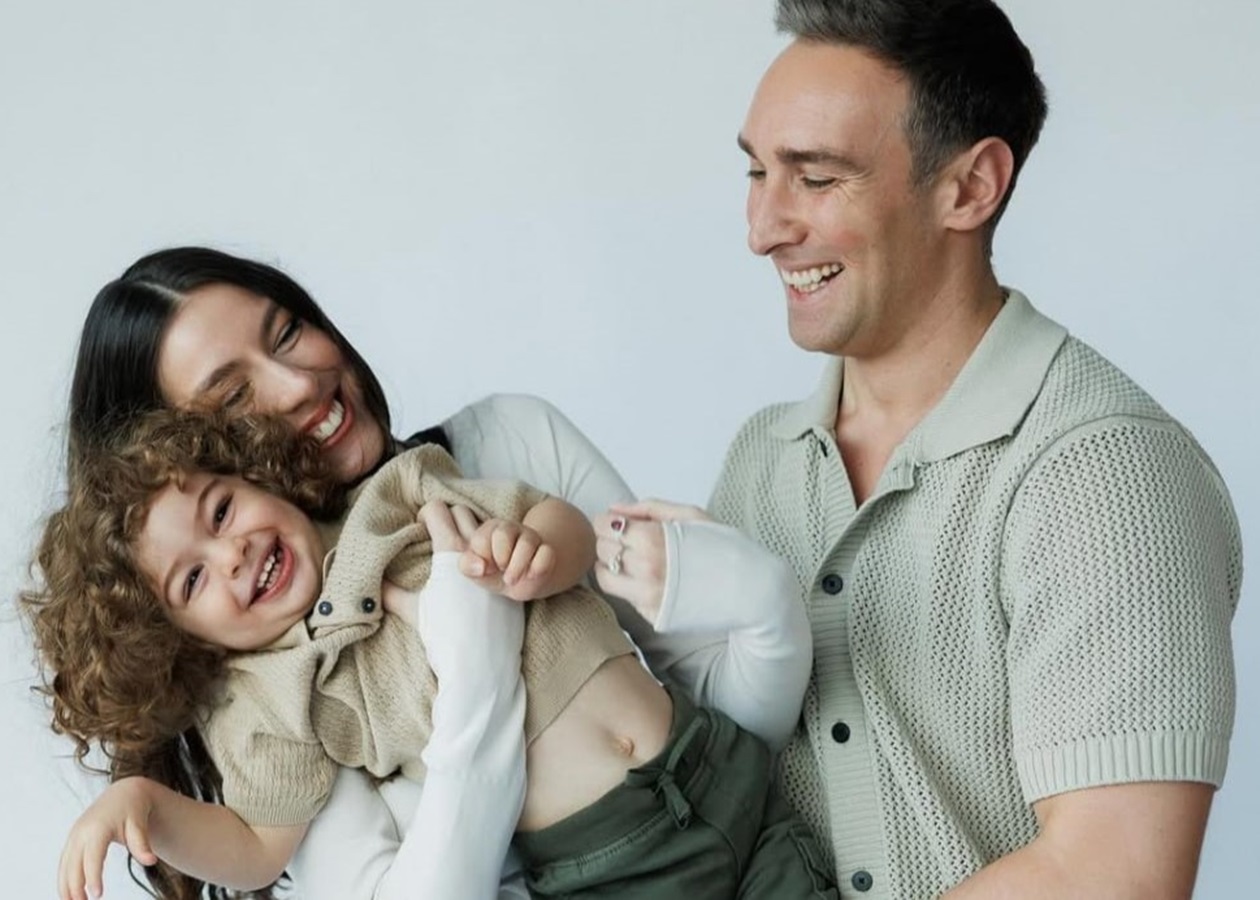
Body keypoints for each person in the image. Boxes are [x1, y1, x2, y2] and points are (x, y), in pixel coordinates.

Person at [685, 0, 1241, 897]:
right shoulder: (763, 461)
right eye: (757, 171)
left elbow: (1114, 875)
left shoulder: (1106, 472)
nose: (763, 228)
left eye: (816, 178)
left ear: (971, 186)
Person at [52, 246, 813, 900]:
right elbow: (257, 847)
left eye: (285, 332)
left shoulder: (417, 486)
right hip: (608, 863)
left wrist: (558, 555)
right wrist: (146, 806)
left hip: (714, 767)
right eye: (233, 398)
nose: (295, 386)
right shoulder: (270, 693)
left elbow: (673, 642)